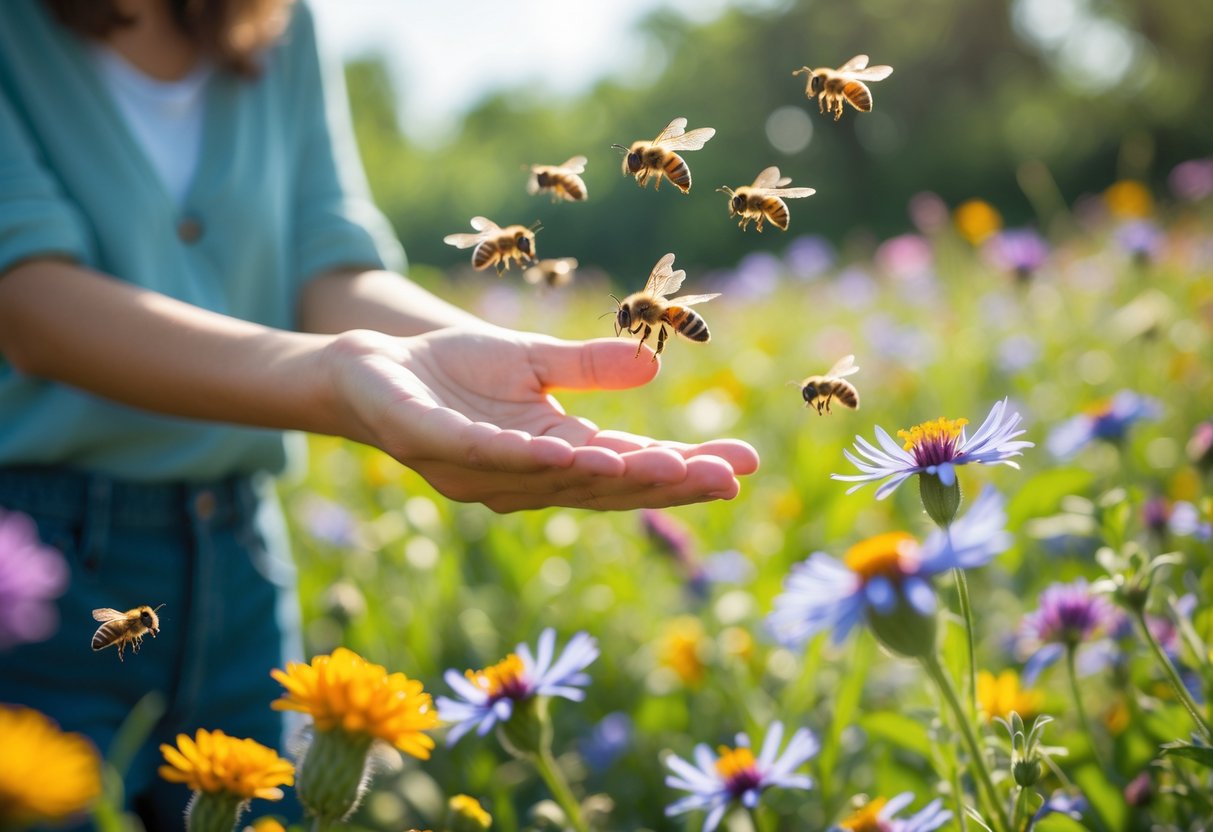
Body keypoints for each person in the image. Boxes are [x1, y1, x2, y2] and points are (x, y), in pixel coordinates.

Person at [0, 0, 758, 826]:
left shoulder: (274, 20)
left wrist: (486, 356)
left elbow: (332, 266)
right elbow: (28, 302)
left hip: (240, 559)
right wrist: (340, 377)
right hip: (34, 569)